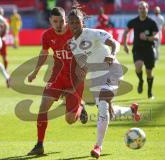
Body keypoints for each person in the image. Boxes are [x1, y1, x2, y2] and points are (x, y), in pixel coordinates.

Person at [67, 3, 141, 158]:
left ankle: (98, 147)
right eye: (71, 22)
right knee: (107, 112)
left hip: (112, 69)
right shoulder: (72, 44)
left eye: (77, 22)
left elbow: (115, 43)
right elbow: (84, 65)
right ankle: (131, 110)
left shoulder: (93, 33)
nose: (74, 25)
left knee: (102, 107)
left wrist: (112, 54)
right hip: (96, 79)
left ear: (83, 22)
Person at [27, 7, 88, 156]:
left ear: (65, 20)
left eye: (61, 21)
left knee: (70, 120)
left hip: (75, 78)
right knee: (43, 106)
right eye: (55, 21)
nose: (59, 24)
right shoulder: (47, 35)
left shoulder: (75, 32)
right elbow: (44, 52)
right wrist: (35, 72)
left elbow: (88, 52)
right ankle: (39, 145)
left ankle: (80, 105)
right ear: (50, 21)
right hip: (57, 76)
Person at [123, 1, 159, 99]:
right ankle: (141, 81)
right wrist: (125, 44)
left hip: (149, 49)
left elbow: (157, 37)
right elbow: (125, 32)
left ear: (147, 9)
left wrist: (147, 38)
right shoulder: (134, 21)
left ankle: (149, 92)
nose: (142, 10)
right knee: (138, 67)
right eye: (140, 8)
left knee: (149, 73)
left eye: (144, 8)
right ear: (138, 10)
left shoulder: (152, 22)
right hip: (137, 49)